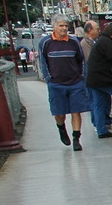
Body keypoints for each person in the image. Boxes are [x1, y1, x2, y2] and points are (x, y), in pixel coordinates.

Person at [36, 16, 91, 151]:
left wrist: (81, 76)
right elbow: (43, 62)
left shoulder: (73, 42)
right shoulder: (45, 42)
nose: (64, 28)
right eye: (61, 26)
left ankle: (76, 138)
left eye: (66, 26)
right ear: (54, 27)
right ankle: (61, 128)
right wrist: (49, 78)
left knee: (76, 111)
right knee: (59, 113)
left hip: (75, 83)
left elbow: (81, 60)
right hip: (56, 84)